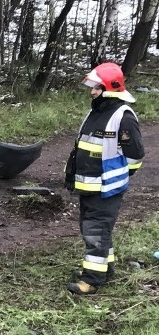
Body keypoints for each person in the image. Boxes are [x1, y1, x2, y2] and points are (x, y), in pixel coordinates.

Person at [65, 62, 144, 295]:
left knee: (95, 232)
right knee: (94, 230)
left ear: (109, 88)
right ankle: (105, 269)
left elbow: (136, 156)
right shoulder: (96, 111)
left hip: (106, 188)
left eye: (97, 88)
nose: (92, 92)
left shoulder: (123, 116)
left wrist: (119, 175)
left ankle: (91, 280)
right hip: (89, 186)